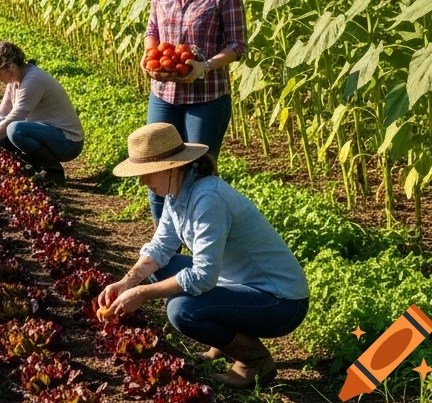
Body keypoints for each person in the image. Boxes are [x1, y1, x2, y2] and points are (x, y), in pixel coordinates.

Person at [98, 123, 309, 389]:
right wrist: (128, 282)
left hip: (280, 302)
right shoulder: (178, 193)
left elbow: (203, 276)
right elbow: (161, 247)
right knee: (159, 267)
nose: (142, 181)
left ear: (171, 167)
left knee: (181, 311)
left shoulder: (208, 199)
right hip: (238, 283)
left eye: (147, 174)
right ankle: (223, 341)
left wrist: (142, 294)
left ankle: (254, 361)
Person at [142, 0, 247, 222]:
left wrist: (204, 66)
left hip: (207, 98)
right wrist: (150, 55)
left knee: (198, 176)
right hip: (163, 93)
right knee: (156, 167)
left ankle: (200, 246)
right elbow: (152, 30)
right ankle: (164, 253)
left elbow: (237, 44)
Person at [0, 41, 84, 185]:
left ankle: (53, 171)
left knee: (15, 129)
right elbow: (2, 112)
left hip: (67, 142)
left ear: (10, 66)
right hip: (45, 131)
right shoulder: (15, 81)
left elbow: (14, 118)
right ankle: (32, 162)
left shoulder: (33, 80)